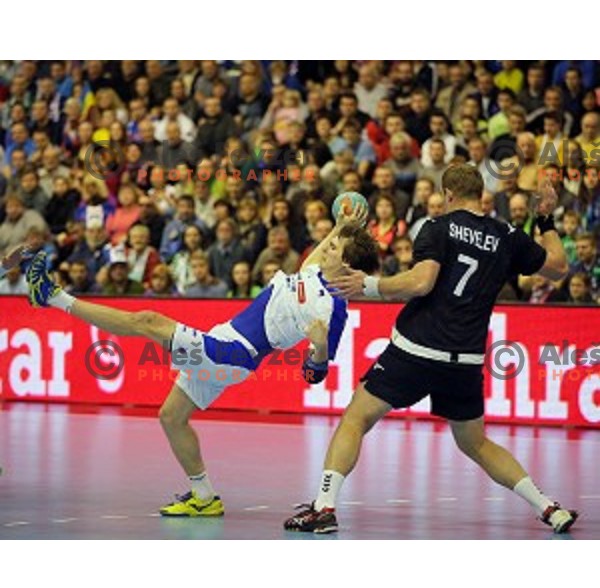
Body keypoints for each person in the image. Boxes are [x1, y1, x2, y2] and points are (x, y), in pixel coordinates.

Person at [25, 203, 379, 518]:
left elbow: (315, 375)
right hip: (223, 338)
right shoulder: (316, 271)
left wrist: (316, 349)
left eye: (333, 246)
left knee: (147, 322)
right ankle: (204, 496)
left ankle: (52, 296)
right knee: (172, 417)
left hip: (234, 355)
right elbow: (311, 262)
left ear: (345, 263)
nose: (326, 245)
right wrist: (339, 226)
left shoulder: (334, 309)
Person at [284, 164, 578, 535]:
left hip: (417, 349)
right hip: (465, 360)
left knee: (355, 419)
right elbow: (558, 267)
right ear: (480, 196)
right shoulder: (507, 235)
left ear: (449, 195)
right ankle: (549, 508)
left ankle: (323, 508)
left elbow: (422, 282)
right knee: (477, 444)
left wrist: (369, 286)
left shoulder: (437, 227)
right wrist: (545, 219)